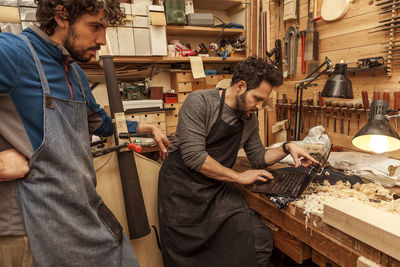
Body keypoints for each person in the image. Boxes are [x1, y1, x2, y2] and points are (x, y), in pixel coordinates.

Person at [0, 0, 170, 266]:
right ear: (61, 15)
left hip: (77, 211)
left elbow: (100, 124)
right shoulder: (13, 53)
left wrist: (147, 128)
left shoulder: (75, 73)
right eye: (95, 26)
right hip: (28, 229)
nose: (102, 39)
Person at [158, 57, 319, 267]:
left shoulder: (249, 117)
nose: (260, 106)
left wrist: (287, 147)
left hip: (215, 190)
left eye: (263, 101)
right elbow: (194, 157)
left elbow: (258, 157)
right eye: (257, 98)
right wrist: (238, 177)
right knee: (184, 259)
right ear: (240, 86)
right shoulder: (200, 102)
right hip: (181, 192)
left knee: (257, 239)